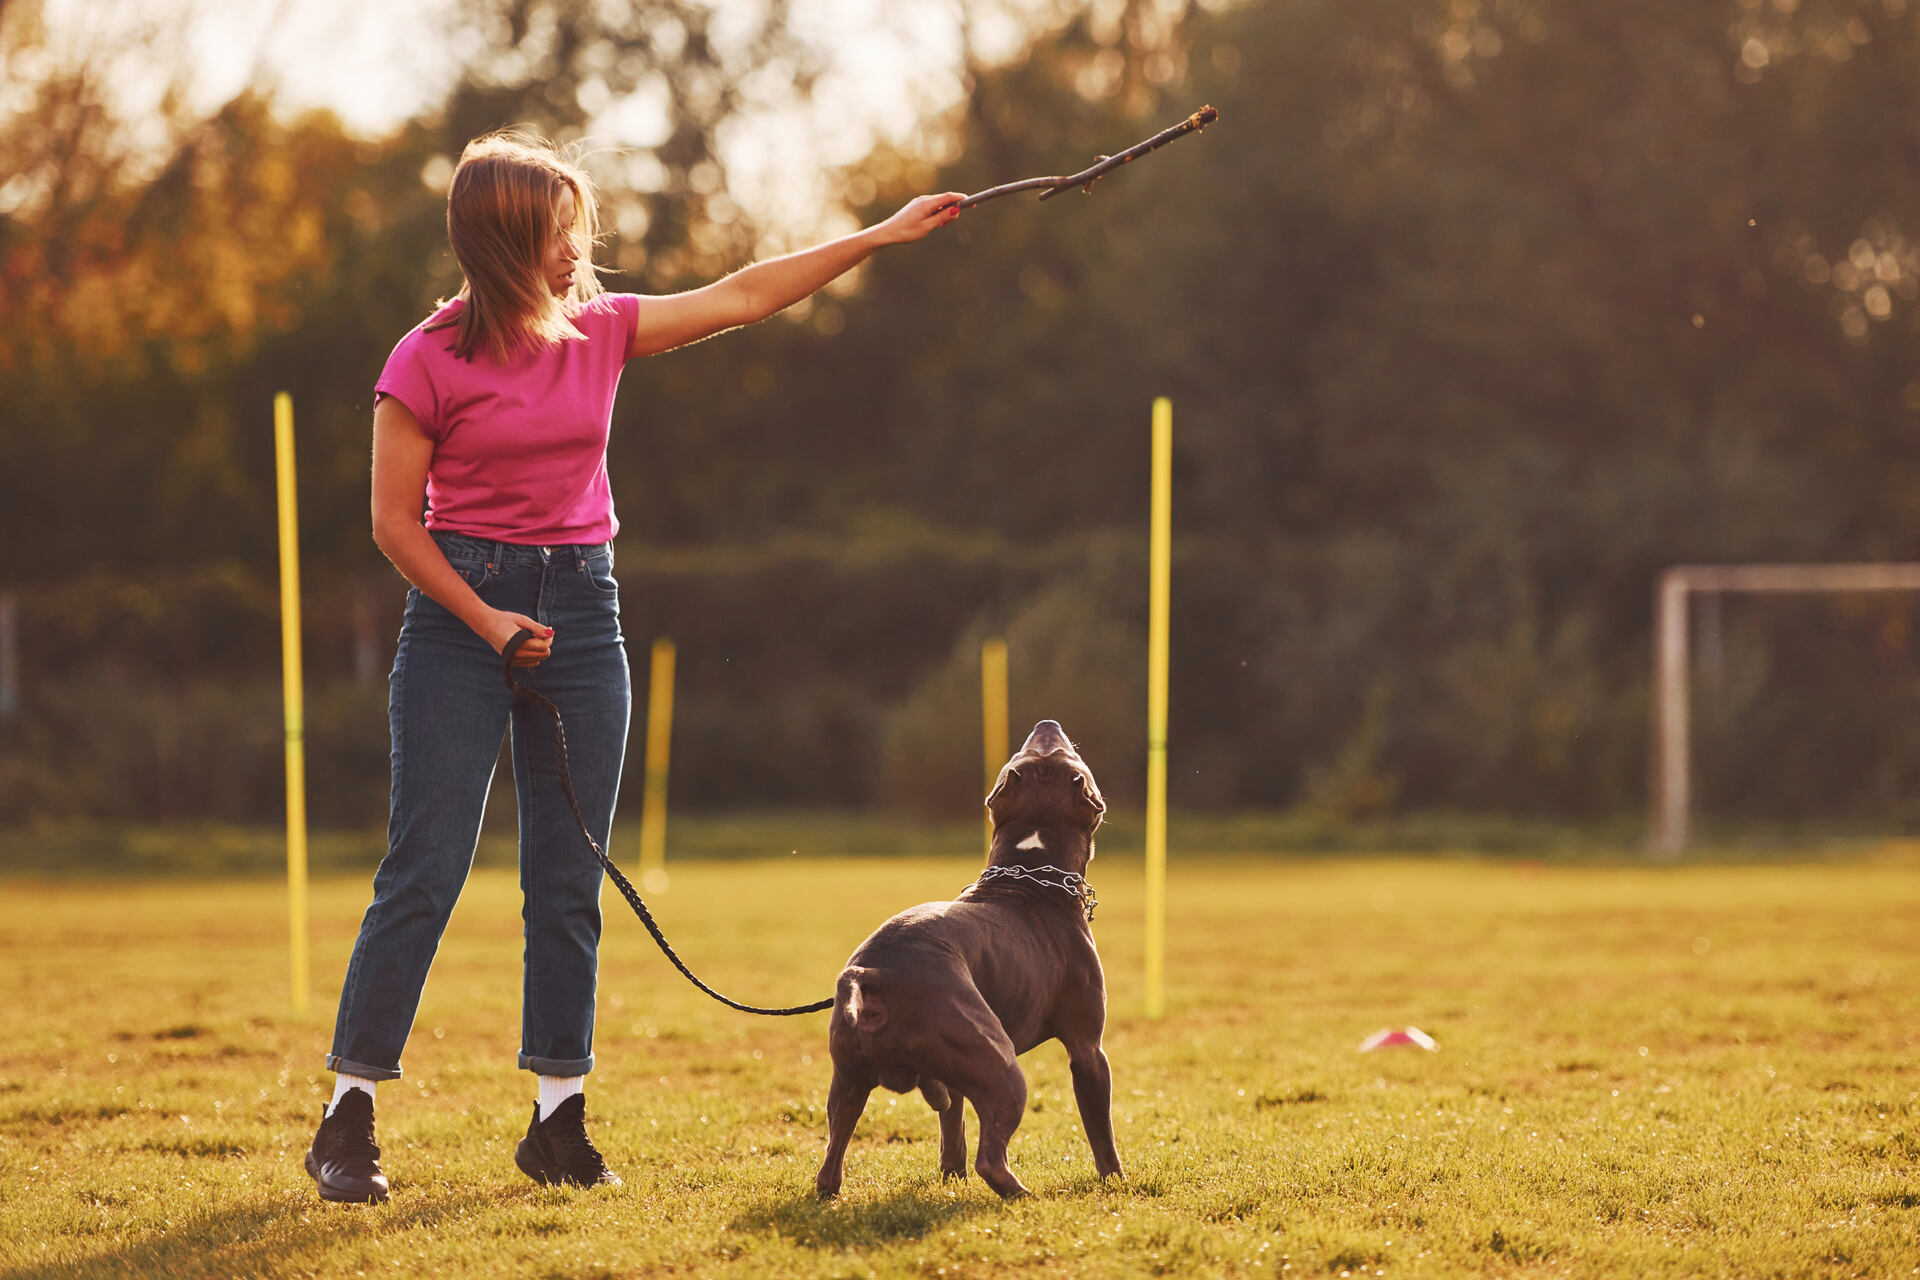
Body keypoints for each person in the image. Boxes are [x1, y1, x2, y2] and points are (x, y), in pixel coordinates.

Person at [304, 128, 963, 1204]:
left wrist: (883, 235)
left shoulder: (601, 332)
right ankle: (348, 1113)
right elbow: (391, 524)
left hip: (583, 608)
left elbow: (746, 294)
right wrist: (486, 618)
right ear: (511, 241)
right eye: (564, 230)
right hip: (459, 615)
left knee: (568, 883)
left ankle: (557, 1120)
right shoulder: (423, 359)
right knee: (423, 870)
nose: (582, 248)